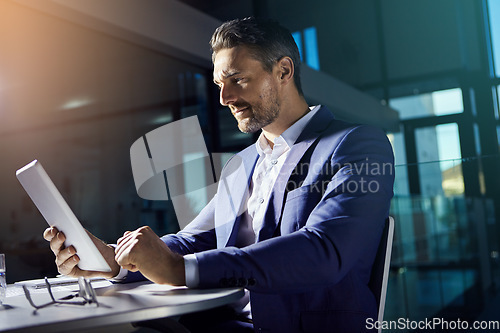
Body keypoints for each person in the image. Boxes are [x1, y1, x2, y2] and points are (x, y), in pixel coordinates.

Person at [44, 17, 394, 333]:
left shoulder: (357, 144)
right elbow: (194, 240)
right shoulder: (240, 164)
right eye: (219, 84)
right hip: (219, 324)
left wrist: (181, 271)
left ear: (283, 71)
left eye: (237, 79)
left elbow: (324, 250)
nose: (225, 97)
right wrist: (117, 261)